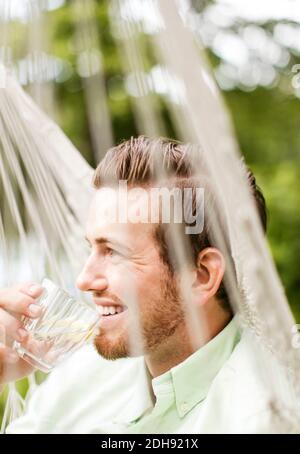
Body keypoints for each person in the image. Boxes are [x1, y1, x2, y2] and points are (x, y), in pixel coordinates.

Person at [1, 136, 280, 433]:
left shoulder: (266, 416)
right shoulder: (80, 377)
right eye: (91, 248)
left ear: (201, 276)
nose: (83, 280)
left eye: (114, 252)